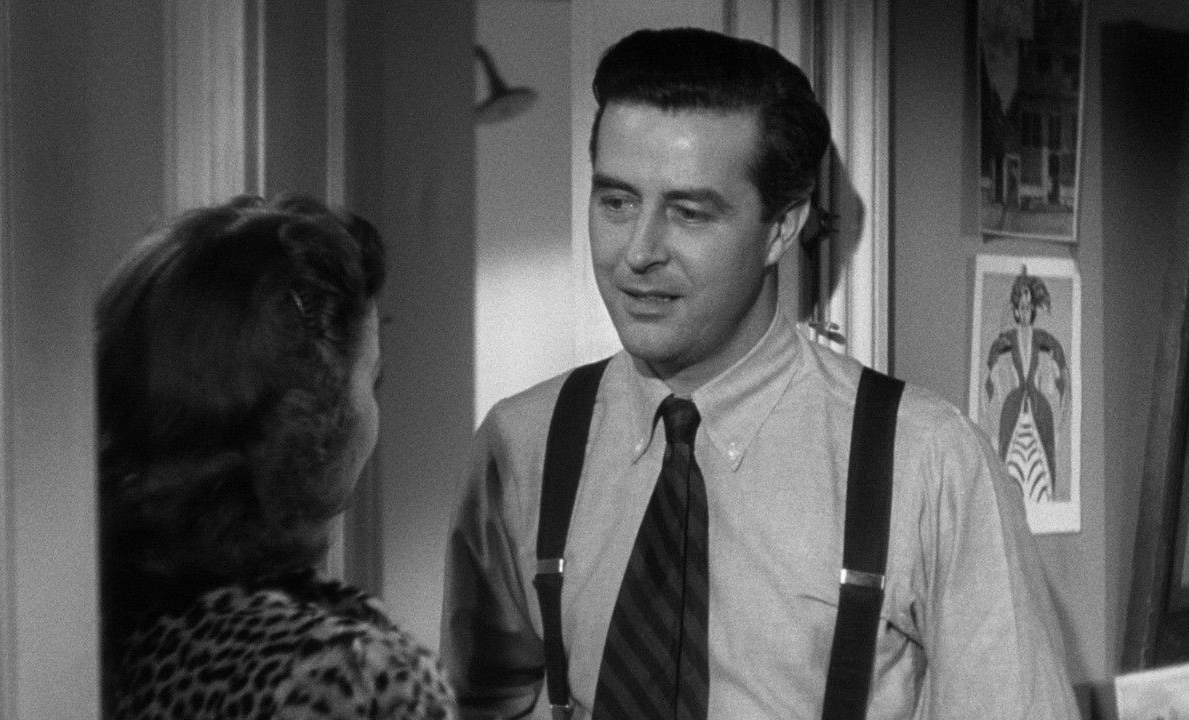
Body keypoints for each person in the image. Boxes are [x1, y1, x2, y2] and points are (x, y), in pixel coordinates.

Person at [441, 27, 1080, 719]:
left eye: (689, 213)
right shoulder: (523, 444)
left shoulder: (930, 464)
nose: (639, 252)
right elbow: (476, 703)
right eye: (616, 202)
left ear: (781, 227)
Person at [98, 195, 454, 719]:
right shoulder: (357, 682)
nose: (373, 414)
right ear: (310, 420)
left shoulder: (78, 629)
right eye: (371, 381)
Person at [983, 267, 1069, 503]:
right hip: (1013, 408)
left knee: (1043, 469)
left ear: (1033, 311)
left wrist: (1060, 419)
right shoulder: (1006, 340)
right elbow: (989, 377)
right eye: (1021, 307)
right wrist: (992, 425)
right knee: (1009, 465)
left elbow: (1062, 370)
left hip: (1039, 409)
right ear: (1015, 310)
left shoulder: (1043, 338)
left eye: (1029, 307)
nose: (1025, 311)